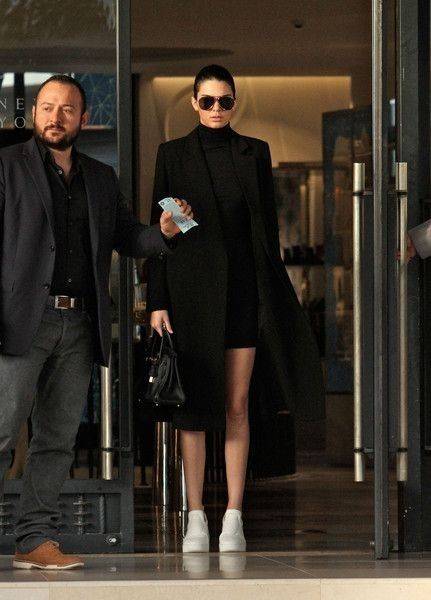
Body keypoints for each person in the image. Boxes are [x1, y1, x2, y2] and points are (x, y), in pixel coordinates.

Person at [0, 74, 193, 570]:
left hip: (80, 323)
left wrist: (164, 232)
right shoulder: (7, 166)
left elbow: (128, 237)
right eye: (47, 107)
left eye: (67, 109)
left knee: (57, 439)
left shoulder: (101, 178)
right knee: (1, 431)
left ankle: (34, 539)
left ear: (83, 119)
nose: (56, 117)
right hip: (19, 322)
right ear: (34, 113)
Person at [147, 65, 324, 553]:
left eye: (225, 101)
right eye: (207, 101)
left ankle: (233, 515)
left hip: (244, 293)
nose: (216, 109)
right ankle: (195, 517)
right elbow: (159, 234)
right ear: (194, 102)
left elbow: (266, 233)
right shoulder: (172, 154)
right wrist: (157, 300)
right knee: (193, 409)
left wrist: (274, 295)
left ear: (235, 102)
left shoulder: (254, 152)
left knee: (237, 405)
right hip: (191, 293)